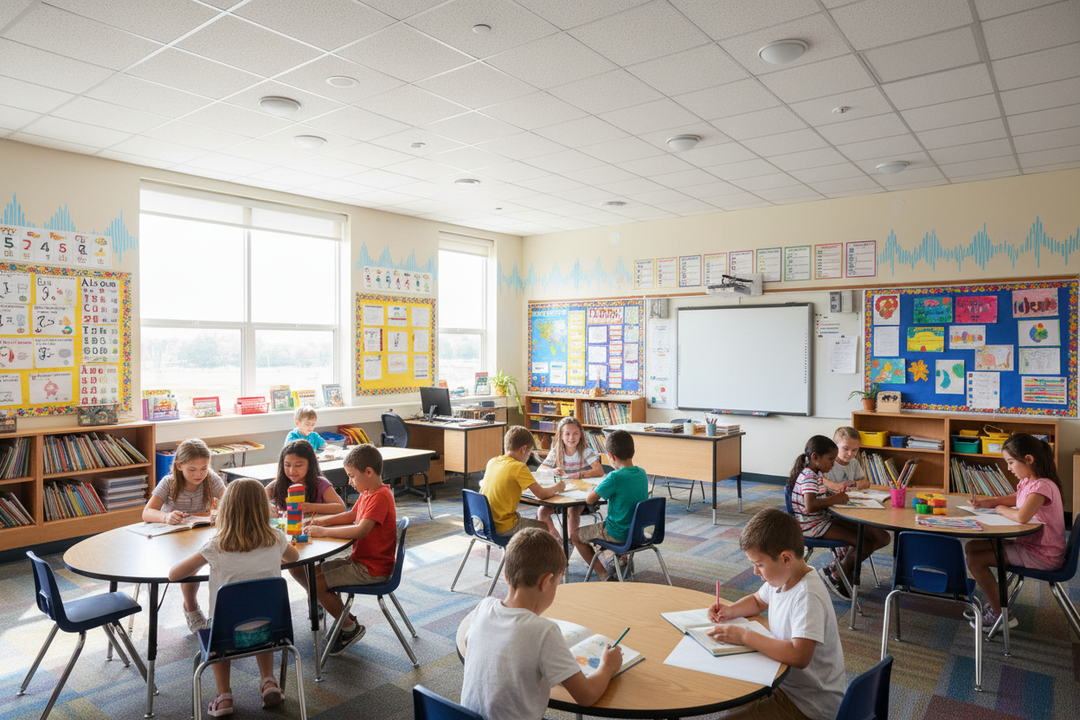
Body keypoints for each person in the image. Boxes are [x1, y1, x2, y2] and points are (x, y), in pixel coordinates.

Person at [168, 478, 299, 717]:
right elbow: (295, 557)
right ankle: (269, 681)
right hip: (272, 630)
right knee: (260, 612)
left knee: (219, 628)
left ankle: (224, 697)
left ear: (226, 509)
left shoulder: (216, 546)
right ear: (263, 508)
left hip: (226, 636)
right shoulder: (276, 539)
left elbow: (174, 574)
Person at [461, 528, 621, 720]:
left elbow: (468, 645)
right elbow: (587, 696)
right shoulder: (544, 632)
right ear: (546, 582)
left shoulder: (483, 607)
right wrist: (607, 666)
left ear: (505, 573)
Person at [706, 508, 845, 720]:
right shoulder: (782, 578)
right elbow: (757, 601)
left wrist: (745, 636)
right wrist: (730, 610)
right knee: (733, 696)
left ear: (786, 559)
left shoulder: (807, 596)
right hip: (784, 684)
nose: (755, 572)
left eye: (759, 564)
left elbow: (799, 656)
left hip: (810, 705)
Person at [965, 433, 1066, 630]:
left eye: (1011, 462)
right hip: (1032, 545)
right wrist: (991, 501)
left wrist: (998, 509)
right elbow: (1017, 498)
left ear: (1029, 459)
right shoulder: (1030, 482)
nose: (1009, 468)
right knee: (972, 546)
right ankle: (997, 601)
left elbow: (1022, 516)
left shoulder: (1043, 486)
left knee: (975, 560)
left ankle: (1001, 615)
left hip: (1043, 554)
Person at [304, 444, 396, 656]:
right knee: (314, 576)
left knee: (317, 585)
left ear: (369, 472)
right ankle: (346, 619)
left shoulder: (380, 496)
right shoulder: (367, 492)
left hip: (373, 568)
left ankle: (349, 627)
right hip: (363, 561)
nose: (349, 482)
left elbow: (361, 530)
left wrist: (322, 532)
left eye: (352, 476)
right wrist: (323, 523)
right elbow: (351, 516)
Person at [789, 435, 889, 601]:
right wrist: (834, 499)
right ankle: (836, 573)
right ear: (815, 457)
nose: (833, 464)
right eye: (830, 460)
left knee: (871, 535)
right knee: (863, 542)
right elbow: (810, 505)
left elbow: (818, 495)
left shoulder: (816, 474)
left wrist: (830, 494)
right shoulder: (808, 477)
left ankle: (838, 569)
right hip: (812, 525)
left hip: (820, 519)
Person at [143, 438, 226, 633]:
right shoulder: (169, 482)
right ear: (179, 466)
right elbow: (147, 513)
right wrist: (166, 516)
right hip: (173, 537)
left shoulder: (211, 478)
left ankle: (223, 610)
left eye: (204, 468)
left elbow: (231, 501)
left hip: (202, 533)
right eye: (192, 469)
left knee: (227, 557)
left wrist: (219, 511)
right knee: (193, 562)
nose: (199, 474)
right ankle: (191, 606)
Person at [265, 440, 346, 586]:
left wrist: (309, 507)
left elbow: (340, 507)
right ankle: (314, 593)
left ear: (310, 464)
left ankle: (316, 594)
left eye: (298, 465)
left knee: (296, 562)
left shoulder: (320, 484)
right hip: (291, 537)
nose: (292, 471)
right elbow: (256, 501)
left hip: (316, 536)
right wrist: (265, 508)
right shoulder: (278, 485)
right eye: (287, 465)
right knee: (288, 561)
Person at [571, 429, 648, 581]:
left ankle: (604, 575)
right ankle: (618, 560)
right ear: (633, 451)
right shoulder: (642, 473)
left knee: (575, 536)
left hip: (617, 533)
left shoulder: (614, 477)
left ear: (611, 457)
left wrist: (593, 489)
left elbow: (590, 500)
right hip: (637, 533)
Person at [481, 425, 566, 537]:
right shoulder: (519, 467)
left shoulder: (492, 462)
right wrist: (558, 486)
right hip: (503, 527)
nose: (528, 456)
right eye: (530, 452)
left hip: (483, 524)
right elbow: (541, 494)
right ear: (523, 449)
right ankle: (538, 553)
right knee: (544, 526)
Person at [537, 417, 604, 544]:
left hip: (580, 495)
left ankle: (573, 541)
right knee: (542, 511)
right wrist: (553, 470)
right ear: (561, 436)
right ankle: (558, 542)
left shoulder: (585, 450)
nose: (571, 438)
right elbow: (541, 468)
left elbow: (599, 471)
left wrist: (578, 474)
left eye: (575, 433)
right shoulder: (557, 451)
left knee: (572, 511)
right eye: (567, 434)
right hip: (562, 492)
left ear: (581, 435)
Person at [823, 427, 869, 493]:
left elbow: (865, 482)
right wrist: (838, 486)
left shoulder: (854, 463)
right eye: (846, 449)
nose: (850, 454)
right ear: (835, 445)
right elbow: (819, 479)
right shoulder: (825, 461)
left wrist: (854, 484)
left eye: (854, 450)